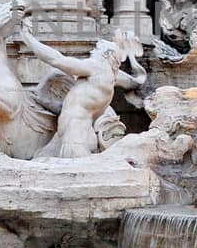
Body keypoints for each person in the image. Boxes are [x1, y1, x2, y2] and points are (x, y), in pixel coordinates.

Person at [19, 28, 145, 157]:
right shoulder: (110, 77)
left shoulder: (96, 68)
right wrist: (45, 102)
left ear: (107, 54)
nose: (92, 51)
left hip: (75, 137)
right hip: (68, 135)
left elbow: (56, 60)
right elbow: (74, 106)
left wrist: (29, 39)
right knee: (41, 160)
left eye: (96, 49)